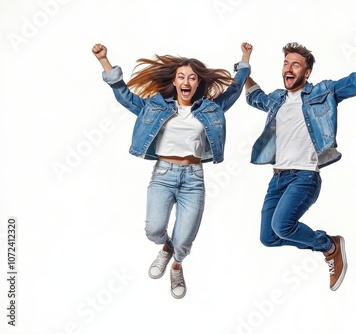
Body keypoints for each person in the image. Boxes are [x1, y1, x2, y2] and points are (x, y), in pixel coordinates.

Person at [92, 42, 253, 299]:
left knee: (184, 242)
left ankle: (176, 265)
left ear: (198, 82)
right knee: (153, 231)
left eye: (192, 77)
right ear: (175, 82)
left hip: (194, 179)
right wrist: (104, 60)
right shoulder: (156, 106)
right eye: (181, 77)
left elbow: (234, 90)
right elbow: (124, 95)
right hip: (163, 175)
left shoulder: (211, 108)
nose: (186, 81)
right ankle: (166, 247)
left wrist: (244, 58)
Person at [244, 30, 356, 291]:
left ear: (306, 72)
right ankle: (326, 245)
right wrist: (244, 64)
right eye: (285, 63)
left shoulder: (322, 92)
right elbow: (254, 95)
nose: (288, 69)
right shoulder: (276, 100)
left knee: (282, 225)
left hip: (304, 177)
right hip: (277, 178)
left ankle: (329, 246)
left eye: (295, 65)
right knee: (268, 237)